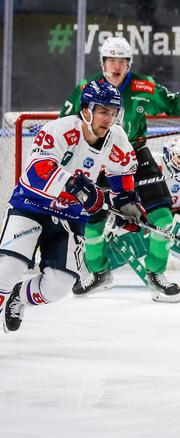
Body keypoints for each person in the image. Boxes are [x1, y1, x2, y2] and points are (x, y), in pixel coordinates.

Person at [60, 36, 180, 303]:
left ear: (129, 64)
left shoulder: (143, 85)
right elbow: (65, 123)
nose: (116, 67)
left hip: (135, 153)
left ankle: (156, 273)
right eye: (111, 61)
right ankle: (98, 272)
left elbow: (173, 100)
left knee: (163, 215)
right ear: (102, 62)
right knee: (92, 221)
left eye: (122, 61)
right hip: (98, 156)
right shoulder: (87, 87)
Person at [0, 80, 143, 332]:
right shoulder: (58, 130)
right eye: (102, 111)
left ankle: (19, 297)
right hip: (31, 206)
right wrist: (78, 187)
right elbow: (36, 173)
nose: (108, 119)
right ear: (86, 111)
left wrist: (127, 203)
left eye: (113, 113)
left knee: (58, 287)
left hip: (70, 217)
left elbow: (122, 175)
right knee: (8, 269)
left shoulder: (116, 138)